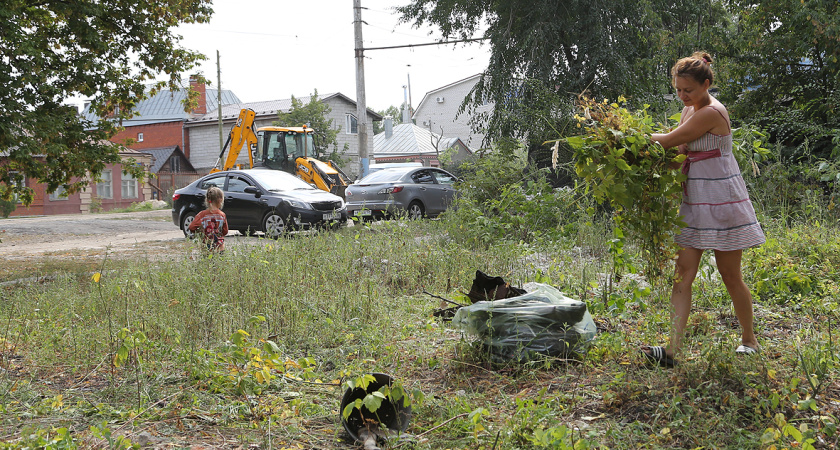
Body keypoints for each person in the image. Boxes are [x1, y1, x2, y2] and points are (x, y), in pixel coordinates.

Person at [641, 51, 766, 367]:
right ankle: (671, 351)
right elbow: (678, 153)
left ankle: (749, 340)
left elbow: (667, 141)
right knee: (682, 275)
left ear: (706, 84)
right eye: (678, 89)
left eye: (689, 90)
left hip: (722, 200)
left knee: (730, 275)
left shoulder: (712, 112)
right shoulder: (689, 111)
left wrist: (626, 138)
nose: (682, 96)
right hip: (696, 200)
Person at [188, 186, 229, 253]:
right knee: (219, 263)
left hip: (206, 248)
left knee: (207, 263)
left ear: (207, 200)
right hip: (220, 247)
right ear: (221, 200)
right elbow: (225, 231)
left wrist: (200, 232)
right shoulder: (222, 215)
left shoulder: (202, 215)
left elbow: (192, 227)